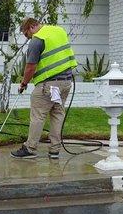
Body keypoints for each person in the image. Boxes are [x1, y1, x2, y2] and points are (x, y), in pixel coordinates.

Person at [10, 17, 77, 159]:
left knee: (38, 116)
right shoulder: (58, 31)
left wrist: (24, 83)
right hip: (65, 83)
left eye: (27, 34)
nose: (29, 38)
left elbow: (30, 67)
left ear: (31, 27)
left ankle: (30, 148)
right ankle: (54, 150)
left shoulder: (37, 39)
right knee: (57, 113)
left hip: (49, 85)